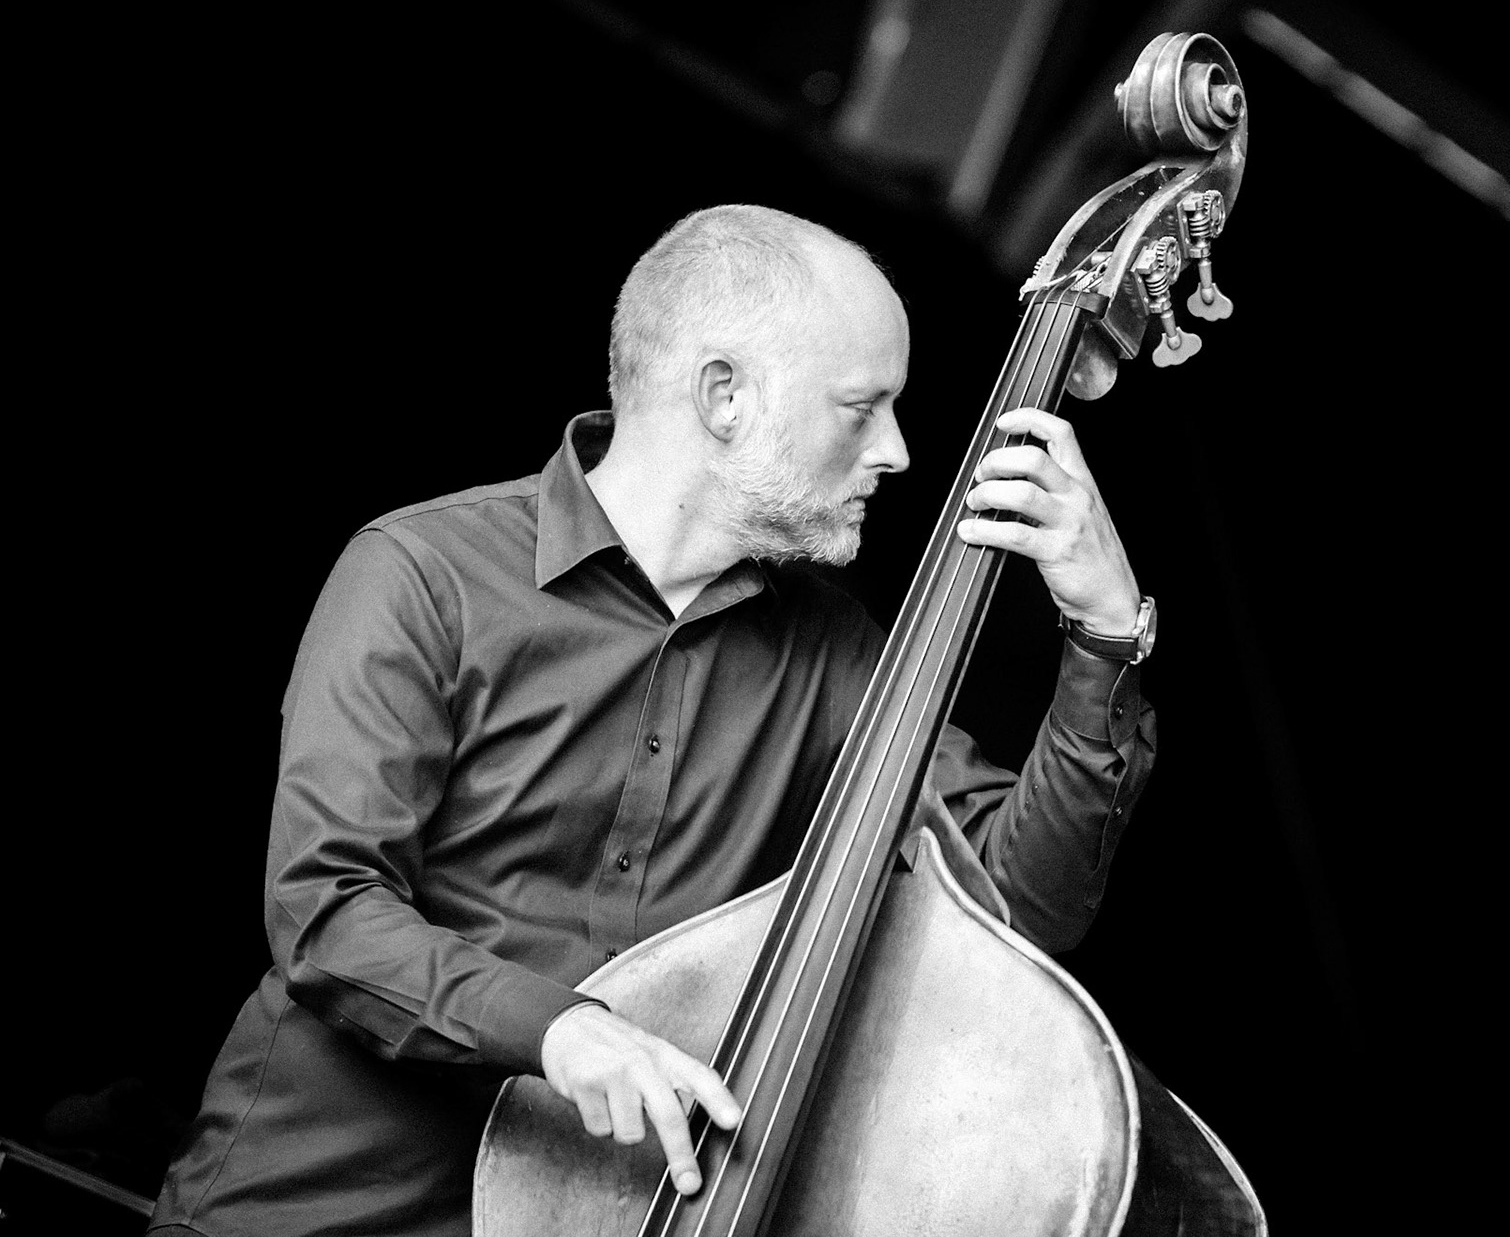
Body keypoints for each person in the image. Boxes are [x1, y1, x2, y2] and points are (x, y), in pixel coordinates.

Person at [148, 204, 1159, 1236]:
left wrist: (1106, 632)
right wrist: (565, 1031)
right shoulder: (424, 575)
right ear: (725, 395)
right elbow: (326, 911)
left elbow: (1010, 910)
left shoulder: (837, 653)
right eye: (862, 407)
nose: (898, 451)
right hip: (306, 1213)